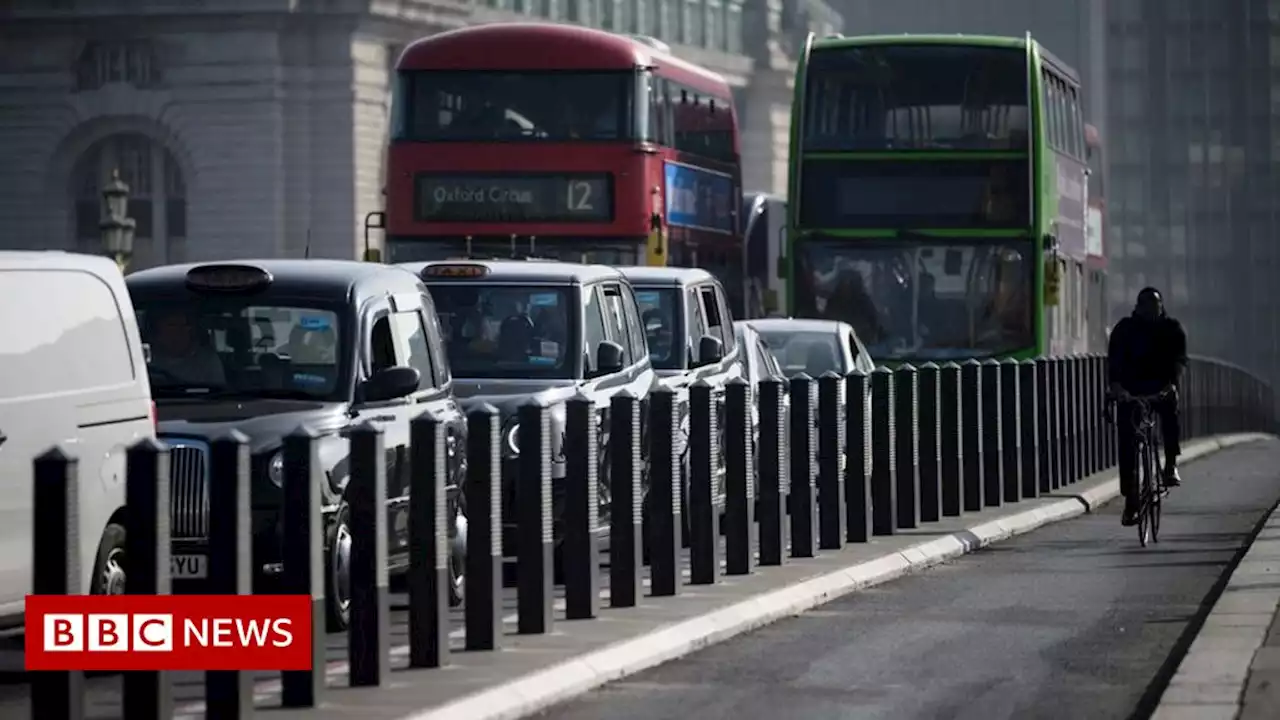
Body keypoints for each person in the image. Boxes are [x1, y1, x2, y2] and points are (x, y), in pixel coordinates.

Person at [1107, 287, 1188, 527]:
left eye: (1155, 306)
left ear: (1162, 306)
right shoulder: (1124, 330)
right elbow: (1114, 361)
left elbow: (1179, 361)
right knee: (1127, 440)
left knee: (1170, 411)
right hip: (1131, 390)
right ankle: (1131, 499)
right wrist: (1116, 388)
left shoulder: (1172, 329)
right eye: (1146, 306)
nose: (1151, 310)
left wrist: (1173, 384)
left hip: (1161, 387)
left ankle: (1171, 464)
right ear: (1138, 307)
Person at [148, 309, 226, 387]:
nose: (180, 331)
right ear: (157, 333)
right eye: (172, 325)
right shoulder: (144, 361)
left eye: (185, 326)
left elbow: (219, 392)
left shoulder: (207, 361)